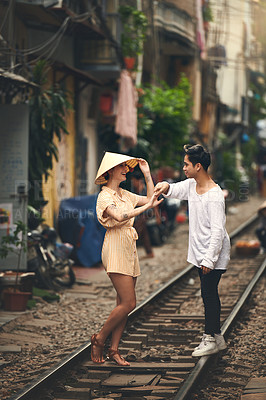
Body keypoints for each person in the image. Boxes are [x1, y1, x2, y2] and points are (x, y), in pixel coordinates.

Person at [154, 144, 230, 357]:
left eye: (186, 164)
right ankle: (217, 338)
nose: (183, 167)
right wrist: (164, 186)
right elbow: (175, 189)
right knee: (209, 293)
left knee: (208, 295)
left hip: (212, 254)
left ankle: (209, 338)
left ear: (198, 166)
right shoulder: (192, 185)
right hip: (202, 253)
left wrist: (209, 259)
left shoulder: (214, 196)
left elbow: (218, 231)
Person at [91, 152, 162, 365]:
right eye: (122, 167)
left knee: (122, 302)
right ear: (110, 171)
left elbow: (151, 199)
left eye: (127, 167)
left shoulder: (124, 194)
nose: (126, 170)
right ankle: (99, 339)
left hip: (129, 246)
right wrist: (145, 208)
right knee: (130, 302)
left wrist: (147, 175)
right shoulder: (105, 197)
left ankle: (114, 350)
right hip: (114, 246)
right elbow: (120, 217)